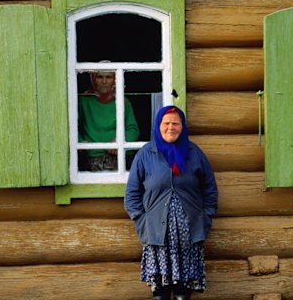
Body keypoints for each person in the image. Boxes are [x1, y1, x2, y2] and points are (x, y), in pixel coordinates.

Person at [124, 105, 218, 300]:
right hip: (157, 236)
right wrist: (142, 223)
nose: (171, 127)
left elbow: (210, 190)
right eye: (166, 123)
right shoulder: (145, 154)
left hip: (189, 237)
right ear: (158, 125)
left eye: (175, 123)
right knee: (160, 293)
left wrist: (206, 218)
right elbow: (132, 195)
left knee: (183, 293)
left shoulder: (194, 153)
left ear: (182, 126)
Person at [78, 70, 140, 171]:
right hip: (91, 159)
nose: (104, 81)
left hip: (120, 158)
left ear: (115, 80)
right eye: (99, 77)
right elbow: (72, 127)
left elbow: (133, 130)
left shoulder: (123, 101)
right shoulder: (84, 101)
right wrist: (81, 142)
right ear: (93, 79)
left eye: (108, 77)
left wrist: (119, 140)